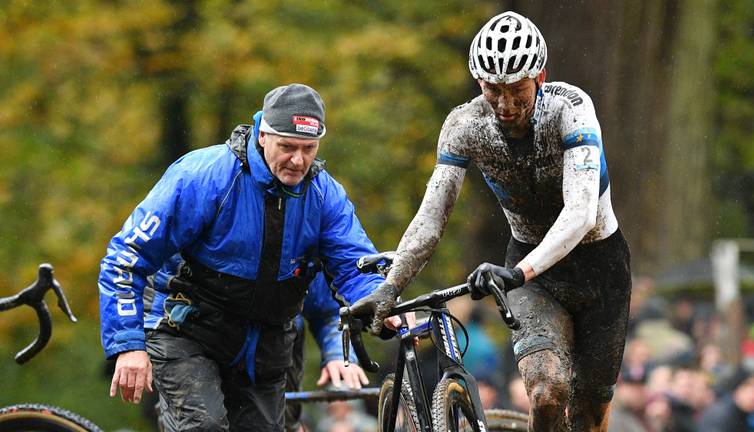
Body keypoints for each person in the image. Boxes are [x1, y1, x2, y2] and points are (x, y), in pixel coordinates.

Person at [350, 11, 632, 432]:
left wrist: (519, 272)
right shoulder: (464, 124)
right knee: (545, 392)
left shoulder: (570, 109)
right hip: (532, 276)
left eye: (516, 89)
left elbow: (580, 213)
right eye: (491, 90)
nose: (504, 104)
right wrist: (390, 287)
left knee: (590, 413)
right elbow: (431, 219)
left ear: (540, 76)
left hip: (598, 264)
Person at [99, 83, 389, 431]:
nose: (298, 160)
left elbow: (356, 265)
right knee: (205, 427)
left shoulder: (325, 195)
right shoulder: (204, 176)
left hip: (264, 349)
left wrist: (384, 300)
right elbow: (126, 257)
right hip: (188, 334)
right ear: (263, 134)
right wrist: (129, 345)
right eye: (288, 147)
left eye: (309, 149)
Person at [285, 273, 370, 431]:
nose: (338, 407)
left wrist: (338, 353)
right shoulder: (324, 425)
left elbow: (328, 313)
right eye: (335, 404)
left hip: (281, 379)